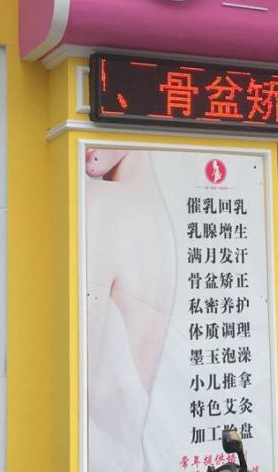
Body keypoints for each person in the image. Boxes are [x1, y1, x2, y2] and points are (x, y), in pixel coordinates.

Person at [85, 148, 176, 472]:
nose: (89, 149)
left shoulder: (102, 204)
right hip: (128, 458)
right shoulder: (161, 223)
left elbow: (74, 370)